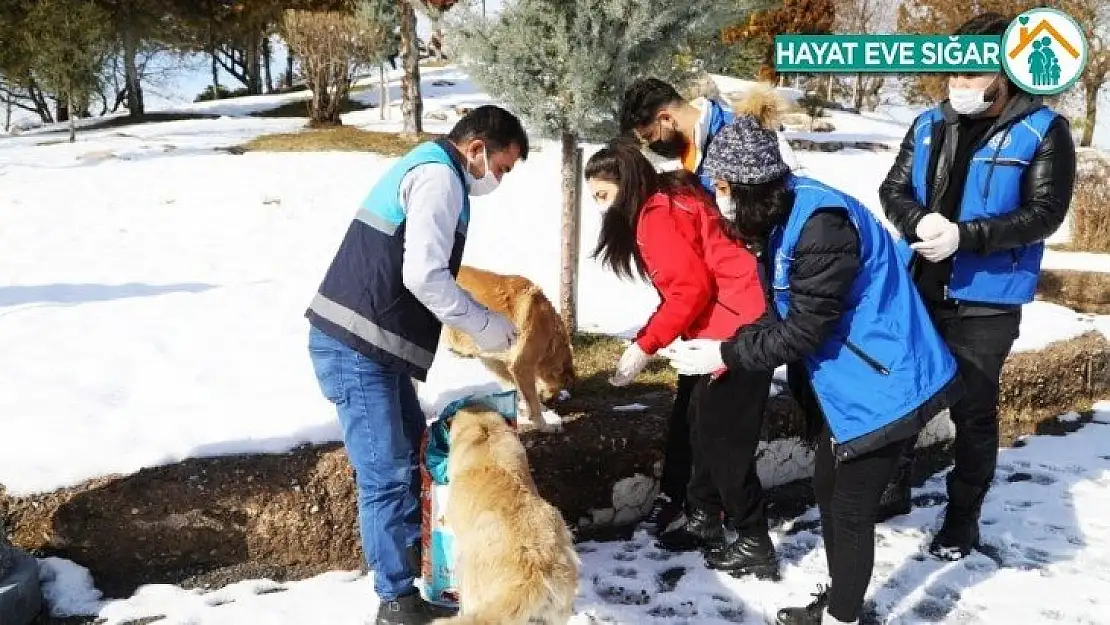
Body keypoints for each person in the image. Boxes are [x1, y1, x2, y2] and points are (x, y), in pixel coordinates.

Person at [666, 115, 960, 625]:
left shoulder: (821, 225)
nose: (720, 200)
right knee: (828, 487)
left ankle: (843, 617)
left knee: (848, 508)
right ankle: (843, 598)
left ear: (749, 186)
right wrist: (727, 341)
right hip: (854, 379)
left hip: (887, 380)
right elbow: (782, 310)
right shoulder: (782, 219)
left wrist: (727, 355)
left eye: (723, 188)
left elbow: (805, 330)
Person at [305, 105, 529, 625]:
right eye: (502, 167)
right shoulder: (438, 178)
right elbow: (425, 276)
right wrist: (484, 325)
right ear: (477, 148)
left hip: (372, 345)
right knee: (384, 474)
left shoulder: (435, 170)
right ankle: (396, 602)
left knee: (409, 453)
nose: (498, 178)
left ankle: (416, 579)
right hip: (358, 348)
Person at [877, 12, 1075, 559]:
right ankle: (892, 487)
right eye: (953, 71)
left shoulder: (1043, 129)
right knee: (905, 395)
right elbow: (893, 187)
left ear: (1006, 72)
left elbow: (1044, 213)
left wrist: (967, 236)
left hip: (986, 299)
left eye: (972, 72)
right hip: (919, 286)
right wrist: (915, 221)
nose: (959, 83)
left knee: (973, 412)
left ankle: (962, 517)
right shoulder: (926, 125)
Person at [585, 137, 779, 578]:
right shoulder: (673, 191)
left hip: (738, 326)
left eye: (603, 195)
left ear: (626, 183)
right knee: (697, 424)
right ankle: (703, 518)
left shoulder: (656, 216)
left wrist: (644, 345)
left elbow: (689, 290)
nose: (601, 207)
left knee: (723, 440)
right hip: (728, 320)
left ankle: (754, 540)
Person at [618, 77, 798, 536]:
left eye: (649, 138)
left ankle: (736, 524)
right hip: (707, 312)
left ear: (665, 119)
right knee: (692, 410)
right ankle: (686, 501)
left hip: (747, 306)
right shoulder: (689, 155)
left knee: (726, 427)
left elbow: (777, 213)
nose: (651, 148)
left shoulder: (739, 136)